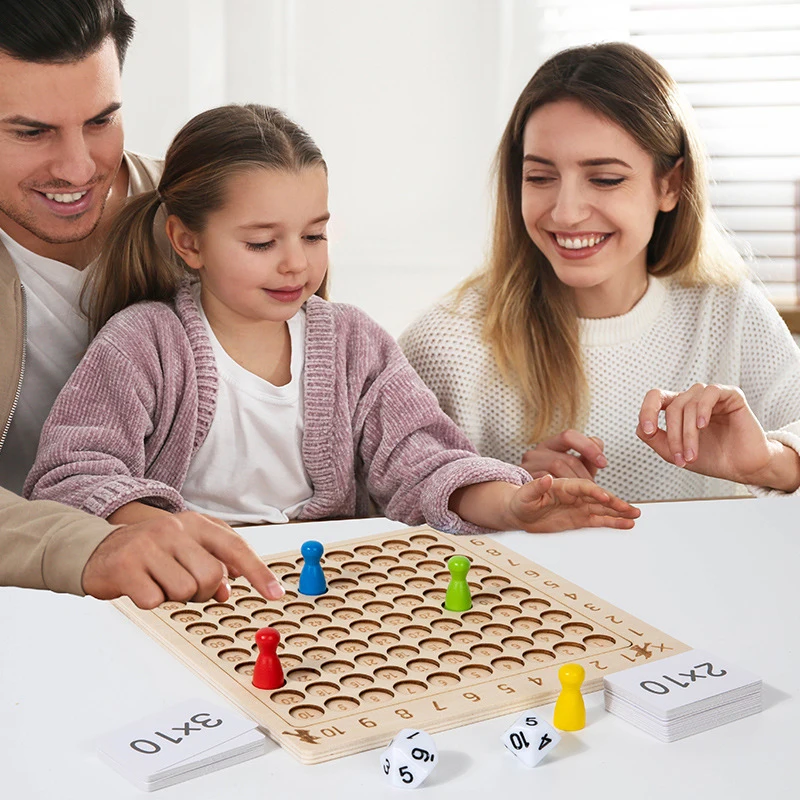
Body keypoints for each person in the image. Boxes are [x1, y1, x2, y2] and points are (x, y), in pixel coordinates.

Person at [24, 104, 640, 535]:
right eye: (262, 243)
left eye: (314, 235)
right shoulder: (142, 343)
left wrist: (512, 504)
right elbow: (71, 475)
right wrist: (162, 532)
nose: (296, 263)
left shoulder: (354, 344)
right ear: (188, 243)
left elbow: (423, 461)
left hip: (328, 594)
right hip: (180, 594)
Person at [400, 42, 800, 503]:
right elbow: (388, 510)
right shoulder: (445, 344)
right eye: (540, 177)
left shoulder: (728, 313)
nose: (567, 213)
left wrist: (768, 461)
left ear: (670, 184)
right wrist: (503, 496)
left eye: (605, 179)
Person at [0, 0, 283, 606]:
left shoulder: (217, 218)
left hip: (234, 592)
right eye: (30, 131)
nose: (78, 167)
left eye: (101, 121)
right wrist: (90, 545)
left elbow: (350, 399)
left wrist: (499, 478)